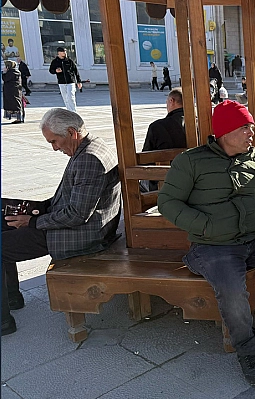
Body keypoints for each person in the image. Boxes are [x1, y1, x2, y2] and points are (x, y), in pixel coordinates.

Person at [158, 100, 255, 386]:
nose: (251, 134)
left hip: (252, 243)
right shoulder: (191, 161)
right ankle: (248, 351)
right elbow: (167, 202)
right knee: (234, 293)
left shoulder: (253, 160)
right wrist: (206, 226)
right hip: (212, 248)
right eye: (245, 128)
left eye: (251, 128)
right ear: (225, 131)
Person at [2, 108, 121, 336]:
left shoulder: (89, 159)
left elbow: (77, 214)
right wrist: (37, 209)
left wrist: (34, 222)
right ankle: (12, 297)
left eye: (54, 141)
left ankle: (3, 321)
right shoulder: (87, 147)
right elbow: (67, 198)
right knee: (4, 216)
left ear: (71, 132)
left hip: (81, 234)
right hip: (79, 225)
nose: (54, 148)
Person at [140, 88, 187, 192]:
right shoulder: (198, 124)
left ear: (172, 101)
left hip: (164, 183)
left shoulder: (157, 126)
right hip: (193, 181)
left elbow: (145, 159)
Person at [49, 47, 82, 113]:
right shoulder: (55, 62)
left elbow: (75, 71)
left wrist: (79, 81)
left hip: (71, 81)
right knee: (65, 98)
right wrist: (56, 71)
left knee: (71, 96)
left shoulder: (69, 61)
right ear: (59, 53)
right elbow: (51, 70)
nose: (65, 53)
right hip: (61, 82)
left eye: (65, 52)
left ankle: (73, 112)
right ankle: (69, 111)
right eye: (63, 52)